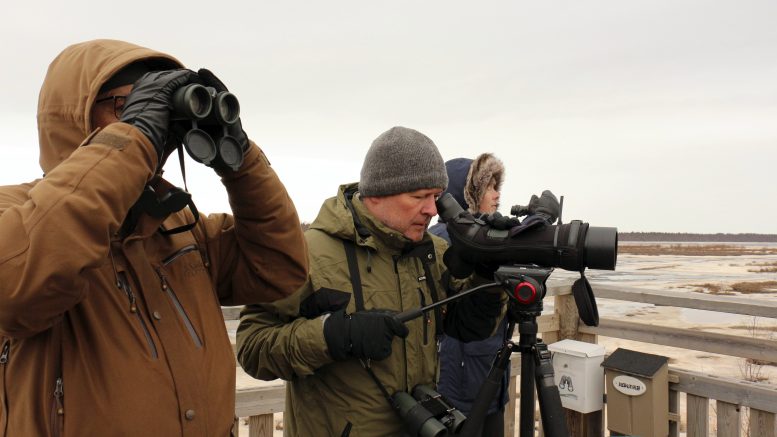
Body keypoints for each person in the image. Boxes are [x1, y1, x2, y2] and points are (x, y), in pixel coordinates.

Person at [0, 39, 308, 436]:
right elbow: (18, 287)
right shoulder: (17, 213)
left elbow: (280, 267)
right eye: (126, 107)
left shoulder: (177, 225)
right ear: (73, 117)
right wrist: (135, 137)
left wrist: (240, 158)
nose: (157, 124)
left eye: (161, 111)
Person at [237, 126, 506, 436]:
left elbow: (469, 326)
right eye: (418, 197)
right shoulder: (308, 253)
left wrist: (487, 274)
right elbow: (252, 346)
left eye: (435, 197)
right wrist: (333, 335)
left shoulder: (432, 252)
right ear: (377, 194)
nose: (432, 210)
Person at [428, 153, 510, 437]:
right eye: (489, 187)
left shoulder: (486, 238)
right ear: (467, 195)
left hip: (489, 380)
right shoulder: (444, 240)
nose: (497, 195)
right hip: (460, 385)